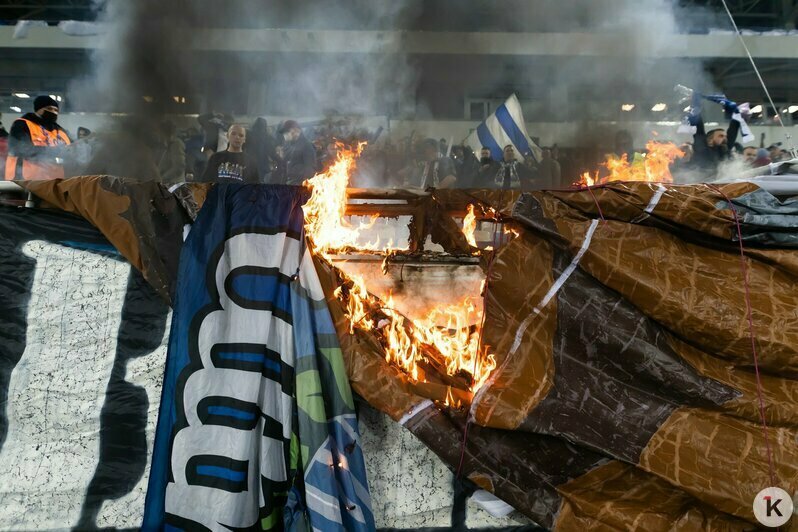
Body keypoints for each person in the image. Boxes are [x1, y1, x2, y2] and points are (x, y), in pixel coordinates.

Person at [5, 95, 71, 181]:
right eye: (49, 109)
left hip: (54, 181)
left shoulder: (60, 131)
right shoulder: (23, 124)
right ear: (38, 109)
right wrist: (53, 151)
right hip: (23, 180)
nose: (53, 112)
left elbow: (70, 151)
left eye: (56, 110)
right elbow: (19, 148)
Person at [279, 120, 317, 185]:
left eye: (286, 132)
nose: (284, 135)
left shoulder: (306, 145)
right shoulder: (289, 144)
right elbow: (286, 165)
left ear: (295, 131)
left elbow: (310, 170)